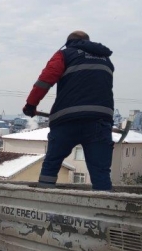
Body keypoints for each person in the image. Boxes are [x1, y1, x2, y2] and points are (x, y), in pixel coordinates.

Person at [23, 30, 115, 191]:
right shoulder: (106, 60)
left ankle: (44, 198)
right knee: (100, 172)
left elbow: (45, 80)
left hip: (67, 122)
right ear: (88, 42)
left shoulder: (65, 55)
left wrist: (31, 105)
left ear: (69, 43)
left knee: (52, 164)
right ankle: (105, 211)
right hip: (99, 123)